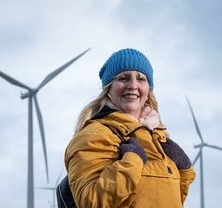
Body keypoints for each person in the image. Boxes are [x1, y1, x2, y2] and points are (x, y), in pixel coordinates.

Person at [64, 48, 196, 208]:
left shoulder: (158, 140)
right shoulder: (93, 135)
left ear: (148, 90)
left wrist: (183, 174)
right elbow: (91, 202)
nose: (133, 85)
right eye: (123, 78)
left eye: (141, 79)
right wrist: (132, 161)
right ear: (108, 89)